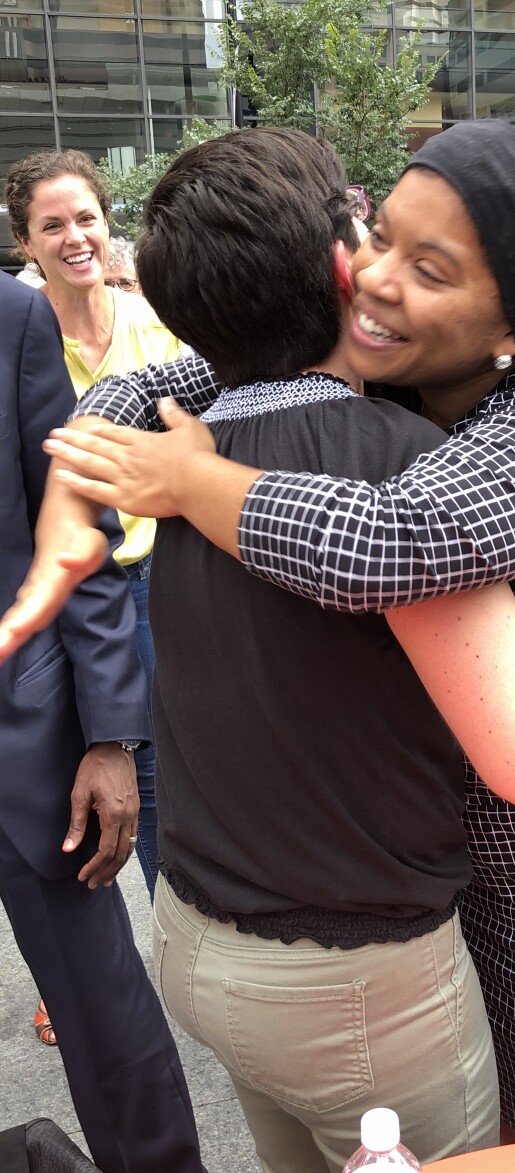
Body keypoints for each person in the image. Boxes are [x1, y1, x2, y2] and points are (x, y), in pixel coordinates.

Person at [7, 117, 515, 1142]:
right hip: (432, 881)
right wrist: (91, 469)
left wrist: (195, 478)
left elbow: (385, 543)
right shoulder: (409, 379)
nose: (372, 278)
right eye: (379, 237)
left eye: (429, 266)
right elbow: (167, 381)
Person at [0, 272, 205, 1173]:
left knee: (108, 1017)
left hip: (28, 739)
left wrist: (112, 733)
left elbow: (78, 523)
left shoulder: (13, 318)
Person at [5, 149, 188, 905]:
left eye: (86, 218)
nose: (74, 237)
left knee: (140, 767)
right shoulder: (14, 326)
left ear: (106, 225)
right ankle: (75, 949)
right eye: (52, 225)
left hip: (149, 581)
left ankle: (168, 935)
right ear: (26, 242)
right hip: (53, 585)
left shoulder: (153, 327)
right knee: (58, 763)